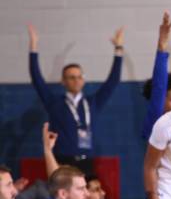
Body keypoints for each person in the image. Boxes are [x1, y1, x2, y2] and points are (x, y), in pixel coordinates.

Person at [27, 25, 124, 174]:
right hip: (62, 161)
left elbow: (113, 80)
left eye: (79, 77)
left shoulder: (93, 102)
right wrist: (33, 46)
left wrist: (118, 49)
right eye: (71, 77)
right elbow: (37, 78)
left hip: (87, 161)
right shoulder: (54, 103)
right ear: (63, 81)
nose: (76, 80)